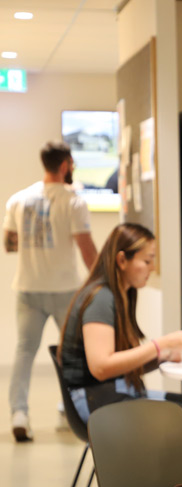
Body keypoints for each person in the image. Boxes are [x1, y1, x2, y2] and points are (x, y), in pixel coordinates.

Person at [58, 223, 182, 423]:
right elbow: (101, 367)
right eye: (147, 260)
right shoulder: (101, 298)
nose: (152, 268)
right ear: (121, 260)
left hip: (111, 395)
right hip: (97, 402)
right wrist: (161, 344)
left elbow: (120, 366)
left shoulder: (119, 295)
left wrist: (164, 355)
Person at [4, 141, 98, 442]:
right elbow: (86, 251)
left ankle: (19, 413)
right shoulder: (73, 202)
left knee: (24, 350)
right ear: (65, 165)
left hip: (27, 288)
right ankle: (67, 410)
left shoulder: (18, 199)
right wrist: (102, 278)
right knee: (71, 353)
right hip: (64, 290)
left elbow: (9, 243)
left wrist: (35, 246)